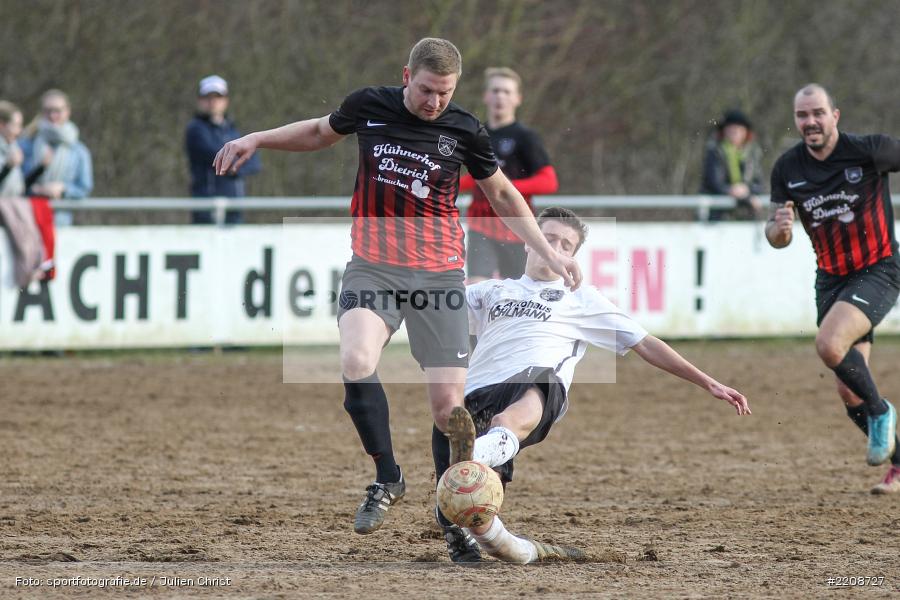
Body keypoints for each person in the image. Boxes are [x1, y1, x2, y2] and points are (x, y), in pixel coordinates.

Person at [213, 38, 582, 555]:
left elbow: (502, 194)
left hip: (439, 278)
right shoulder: (370, 105)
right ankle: (387, 476)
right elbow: (319, 132)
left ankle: (455, 520)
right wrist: (258, 138)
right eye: (427, 90)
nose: (435, 103)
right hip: (374, 267)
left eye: (445, 94)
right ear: (406, 75)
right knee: (356, 357)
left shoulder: (465, 130)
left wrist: (549, 250)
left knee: (448, 410)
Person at [441, 207, 751, 563]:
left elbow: (645, 344)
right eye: (548, 238)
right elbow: (432, 311)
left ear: (573, 256)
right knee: (479, 518)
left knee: (513, 413)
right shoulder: (490, 291)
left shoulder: (582, 299)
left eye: (566, 244)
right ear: (527, 242)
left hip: (537, 385)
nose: (555, 248)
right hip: (477, 394)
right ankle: (521, 548)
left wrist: (708, 382)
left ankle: (470, 456)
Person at [767, 84, 900, 494]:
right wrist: (779, 230)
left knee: (828, 345)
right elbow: (776, 235)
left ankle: (882, 413)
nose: (810, 122)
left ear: (835, 116)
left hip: (879, 269)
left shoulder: (868, 151)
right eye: (803, 115)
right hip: (831, 280)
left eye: (818, 113)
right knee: (848, 389)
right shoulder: (787, 168)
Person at [461, 67, 558, 282]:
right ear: (486, 96)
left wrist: (506, 189)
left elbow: (549, 182)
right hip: (481, 224)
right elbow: (479, 178)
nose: (500, 96)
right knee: (477, 286)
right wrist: (447, 185)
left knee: (516, 290)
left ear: (517, 99)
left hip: (517, 226)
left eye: (506, 92)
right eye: (495, 90)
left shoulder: (525, 137)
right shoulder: (476, 134)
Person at [186, 75, 261, 224]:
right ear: (199, 100)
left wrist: (235, 166)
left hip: (235, 206)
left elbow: (255, 162)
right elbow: (216, 157)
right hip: (207, 208)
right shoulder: (195, 129)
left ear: (226, 101)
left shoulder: (232, 129)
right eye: (208, 97)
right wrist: (239, 164)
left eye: (217, 97)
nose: (213, 102)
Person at [20, 89, 93, 226]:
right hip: (26, 219)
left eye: (57, 111)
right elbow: (15, 184)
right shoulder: (25, 145)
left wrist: (63, 189)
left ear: (67, 111)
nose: (53, 115)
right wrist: (37, 188)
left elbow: (84, 188)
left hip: (61, 221)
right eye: (48, 111)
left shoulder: (79, 151)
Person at [700, 109, 764, 221]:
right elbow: (715, 183)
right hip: (717, 215)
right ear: (723, 131)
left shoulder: (753, 153)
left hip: (746, 216)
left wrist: (746, 190)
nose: (735, 132)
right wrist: (734, 191)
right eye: (731, 129)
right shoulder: (715, 151)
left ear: (746, 132)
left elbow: (758, 184)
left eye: (739, 129)